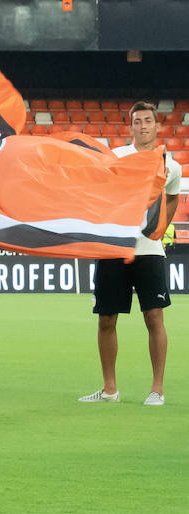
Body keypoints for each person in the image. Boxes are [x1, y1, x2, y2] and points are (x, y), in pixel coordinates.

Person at [80, 101, 181, 406]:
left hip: (149, 250)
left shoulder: (170, 164)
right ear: (131, 126)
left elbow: (173, 197)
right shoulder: (116, 157)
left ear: (156, 125)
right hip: (113, 247)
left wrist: (159, 226)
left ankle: (157, 390)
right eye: (137, 122)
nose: (142, 126)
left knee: (154, 316)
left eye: (147, 121)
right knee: (106, 319)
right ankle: (110, 389)